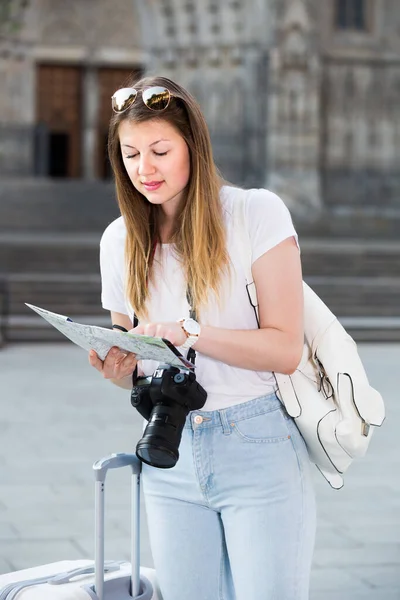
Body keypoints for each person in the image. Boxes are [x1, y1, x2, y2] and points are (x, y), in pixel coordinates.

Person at [89, 74, 316, 600]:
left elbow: (285, 348)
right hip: (170, 447)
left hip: (257, 445)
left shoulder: (254, 213)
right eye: (130, 154)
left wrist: (191, 332)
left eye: (161, 150)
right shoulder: (118, 239)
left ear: (193, 144)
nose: (144, 169)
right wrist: (117, 367)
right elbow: (134, 351)